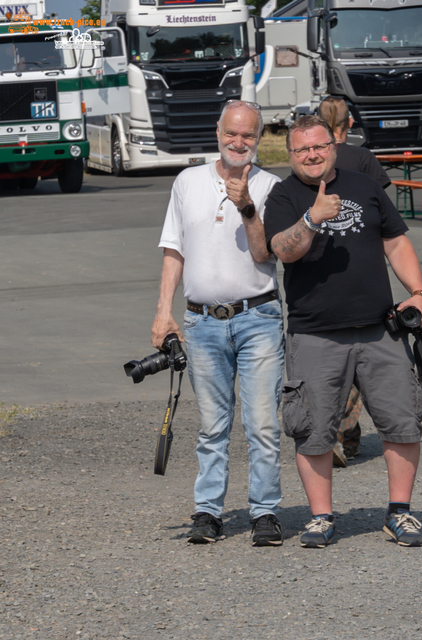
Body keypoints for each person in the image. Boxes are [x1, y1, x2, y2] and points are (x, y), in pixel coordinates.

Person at [264, 115, 422, 548]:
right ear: (291, 155)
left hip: (380, 328)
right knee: (313, 428)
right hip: (316, 333)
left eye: (318, 146)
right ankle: (321, 517)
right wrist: (313, 218)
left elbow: (395, 242)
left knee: (401, 421)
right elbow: (284, 250)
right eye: (301, 150)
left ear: (334, 145)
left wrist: (417, 293)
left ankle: (400, 513)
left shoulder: (364, 186)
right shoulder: (283, 196)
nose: (312, 155)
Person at [152, 100, 285, 547]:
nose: (239, 142)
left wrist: (246, 205)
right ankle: (208, 511)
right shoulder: (187, 182)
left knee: (263, 423)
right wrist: (162, 311)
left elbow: (266, 253)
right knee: (212, 425)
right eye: (232, 133)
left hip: (258, 318)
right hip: (202, 322)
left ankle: (264, 511)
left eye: (248, 135)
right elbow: (175, 249)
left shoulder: (271, 187)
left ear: (259, 139)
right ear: (218, 132)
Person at [318, 96, 391, 466]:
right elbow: (383, 213)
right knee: (361, 363)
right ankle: (348, 433)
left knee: (329, 363)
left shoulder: (311, 158)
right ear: (348, 124)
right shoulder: (363, 159)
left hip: (320, 270)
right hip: (362, 270)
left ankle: (329, 432)